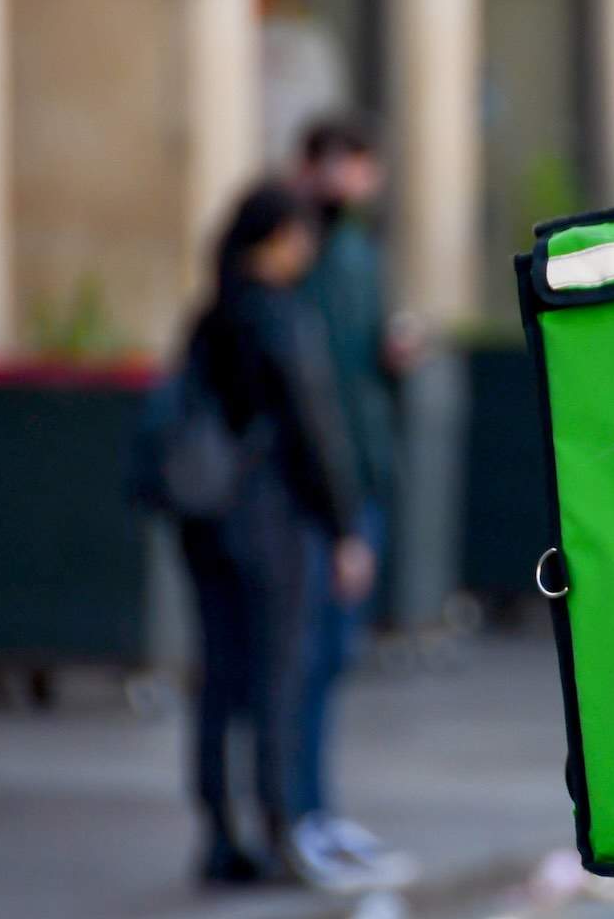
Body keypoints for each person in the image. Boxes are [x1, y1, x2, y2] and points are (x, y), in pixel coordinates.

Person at [175, 184, 370, 885]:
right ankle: (281, 829)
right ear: (280, 239)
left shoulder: (212, 313)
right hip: (272, 516)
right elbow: (315, 427)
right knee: (280, 677)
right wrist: (345, 526)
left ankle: (218, 833)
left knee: (218, 677)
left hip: (205, 517)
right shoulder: (283, 316)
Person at [285, 116, 418, 889]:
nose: (355, 181)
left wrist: (396, 354)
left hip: (360, 473)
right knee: (305, 657)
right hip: (314, 485)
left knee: (332, 656)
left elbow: (362, 360)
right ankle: (297, 814)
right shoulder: (300, 244)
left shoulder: (360, 251)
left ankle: (316, 810)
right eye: (343, 164)